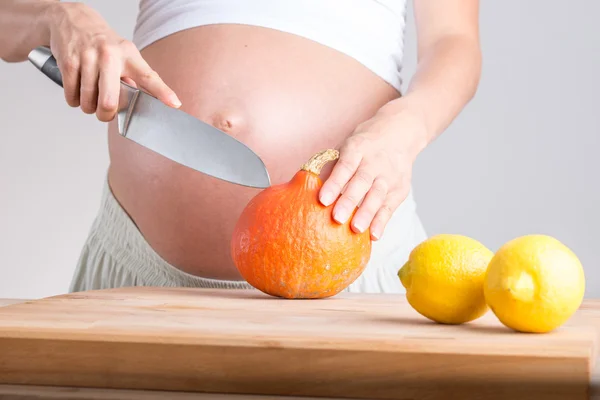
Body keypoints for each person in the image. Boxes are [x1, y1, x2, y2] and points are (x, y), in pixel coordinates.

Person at [0, 0, 481, 294]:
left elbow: (453, 41)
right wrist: (56, 15)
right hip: (134, 282)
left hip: (349, 270)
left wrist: (405, 126)